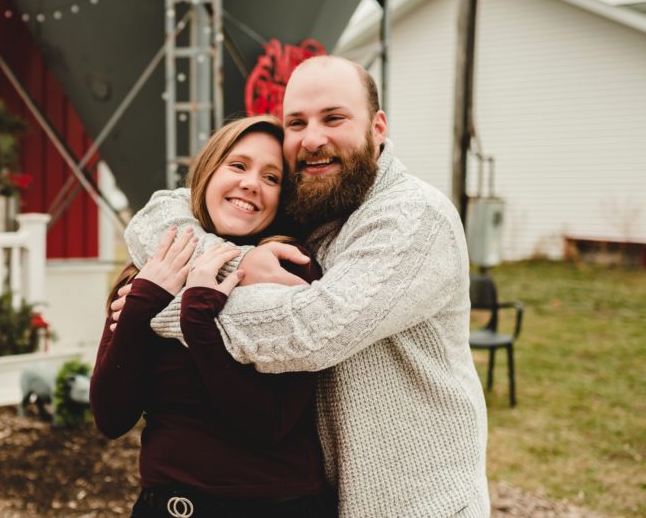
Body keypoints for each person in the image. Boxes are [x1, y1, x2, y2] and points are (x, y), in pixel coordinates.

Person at [120, 56, 490, 517]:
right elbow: (160, 212)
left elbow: (312, 331)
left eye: (333, 118)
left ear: (378, 127)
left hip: (415, 504)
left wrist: (166, 304)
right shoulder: (314, 197)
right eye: (296, 122)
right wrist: (236, 261)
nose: (313, 139)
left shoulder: (415, 217)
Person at [90, 115, 335, 518]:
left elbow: (269, 424)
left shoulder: (289, 269)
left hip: (278, 506)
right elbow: (111, 418)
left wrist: (199, 322)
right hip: (171, 507)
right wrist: (141, 307)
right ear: (207, 172)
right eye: (237, 166)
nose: (251, 183)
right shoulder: (153, 268)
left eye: (272, 178)